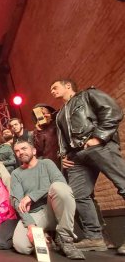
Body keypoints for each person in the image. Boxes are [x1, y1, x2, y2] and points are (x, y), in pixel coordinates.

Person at [51, 79, 125, 254]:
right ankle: (95, 237)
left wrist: (98, 137)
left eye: (55, 87)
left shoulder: (87, 95)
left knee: (123, 183)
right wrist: (63, 155)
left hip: (100, 147)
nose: (52, 91)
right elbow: (62, 138)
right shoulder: (60, 113)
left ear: (67, 86)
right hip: (76, 156)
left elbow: (112, 111)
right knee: (78, 194)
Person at [11, 141, 84, 260]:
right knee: (21, 246)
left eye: (24, 148)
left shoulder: (46, 163)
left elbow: (60, 182)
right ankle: (48, 235)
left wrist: (31, 196)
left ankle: (65, 239)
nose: (20, 152)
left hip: (54, 208)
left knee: (59, 188)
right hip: (36, 213)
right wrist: (30, 225)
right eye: (17, 151)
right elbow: (18, 202)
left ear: (33, 151)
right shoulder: (16, 173)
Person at [31, 104, 60, 168]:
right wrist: (39, 132)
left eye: (42, 108)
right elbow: (39, 150)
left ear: (48, 110)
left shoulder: (58, 121)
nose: (41, 111)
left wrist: (52, 117)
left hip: (62, 158)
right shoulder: (37, 131)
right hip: (50, 163)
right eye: (37, 111)